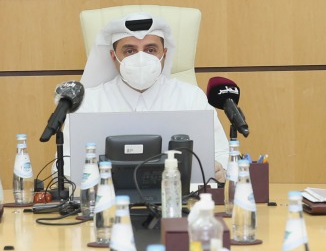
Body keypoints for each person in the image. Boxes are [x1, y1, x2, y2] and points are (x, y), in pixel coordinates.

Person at [68, 12, 230, 169]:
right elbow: (66, 164)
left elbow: (221, 154)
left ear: (164, 54)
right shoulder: (89, 102)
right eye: (129, 51)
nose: (141, 58)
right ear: (113, 56)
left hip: (179, 193)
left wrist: (219, 168)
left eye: (150, 50)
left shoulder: (191, 97)